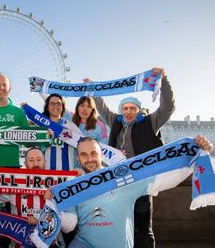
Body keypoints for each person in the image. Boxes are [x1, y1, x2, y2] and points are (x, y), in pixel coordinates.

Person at [46, 136, 212, 248]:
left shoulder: (123, 176)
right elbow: (69, 226)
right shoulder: (73, 184)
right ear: (78, 158)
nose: (89, 159)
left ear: (101, 154)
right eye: (84, 155)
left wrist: (195, 151)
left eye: (93, 154)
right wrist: (54, 205)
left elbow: (163, 178)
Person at [88, 67, 175, 247]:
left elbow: (168, 107)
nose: (128, 112)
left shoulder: (150, 122)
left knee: (142, 227)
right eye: (125, 108)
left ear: (138, 110)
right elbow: (102, 107)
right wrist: (92, 88)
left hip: (142, 181)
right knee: (120, 225)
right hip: (118, 182)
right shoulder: (116, 122)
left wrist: (164, 81)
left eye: (132, 108)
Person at [0, 147, 65, 248]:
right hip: (19, 242)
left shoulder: (57, 185)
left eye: (39, 160)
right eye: (31, 160)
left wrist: (79, 175)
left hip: (49, 243)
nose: (35, 164)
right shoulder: (13, 185)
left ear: (44, 162)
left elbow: (66, 219)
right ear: (25, 163)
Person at [41, 94, 76, 171]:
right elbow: (36, 148)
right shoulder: (41, 125)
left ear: (63, 107)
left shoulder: (71, 126)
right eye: (52, 103)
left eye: (58, 104)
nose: (55, 106)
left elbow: (81, 143)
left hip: (66, 174)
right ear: (47, 107)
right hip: (45, 173)